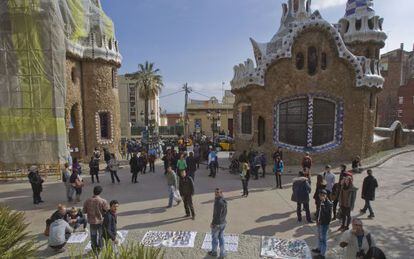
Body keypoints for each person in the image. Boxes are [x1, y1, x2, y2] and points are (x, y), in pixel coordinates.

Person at [83, 186, 110, 253]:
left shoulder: (87, 200)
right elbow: (107, 210)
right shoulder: (103, 201)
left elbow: (84, 211)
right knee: (101, 235)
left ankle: (94, 248)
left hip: (91, 221)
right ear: (100, 192)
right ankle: (100, 247)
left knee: (93, 235)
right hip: (100, 221)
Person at [312, 190, 332, 259]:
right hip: (319, 223)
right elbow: (318, 211)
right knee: (319, 237)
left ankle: (322, 254)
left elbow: (327, 215)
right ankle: (319, 248)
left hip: (324, 224)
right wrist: (317, 219)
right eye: (320, 196)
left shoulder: (328, 204)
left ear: (325, 196)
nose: (320, 197)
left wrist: (321, 222)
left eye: (322, 196)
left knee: (323, 239)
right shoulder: (321, 202)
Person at [208, 188, 227, 259]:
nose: (216, 194)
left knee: (215, 238)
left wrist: (213, 223)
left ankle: (214, 252)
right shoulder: (223, 200)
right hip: (223, 222)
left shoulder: (218, 202)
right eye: (215, 193)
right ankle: (222, 254)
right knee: (221, 237)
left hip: (217, 224)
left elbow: (216, 215)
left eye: (217, 193)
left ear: (221, 193)